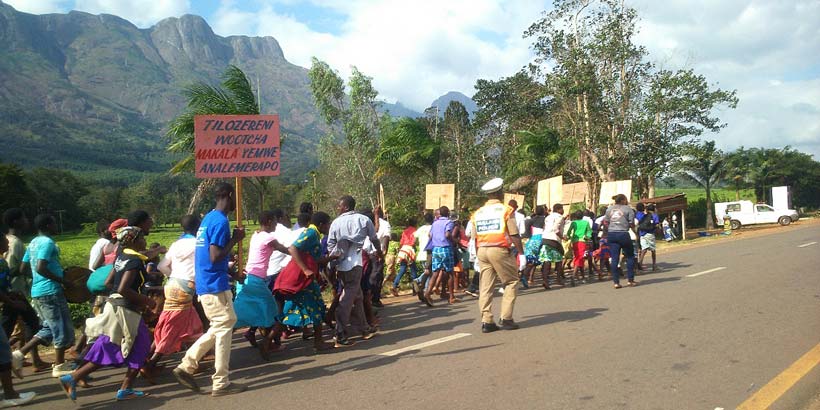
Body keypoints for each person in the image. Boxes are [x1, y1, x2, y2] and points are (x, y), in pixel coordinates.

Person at [58, 226, 155, 402]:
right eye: (142, 238)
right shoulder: (134, 261)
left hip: (114, 307)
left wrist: (119, 298)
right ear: (133, 240)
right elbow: (124, 288)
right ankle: (125, 389)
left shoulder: (122, 256)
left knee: (110, 346)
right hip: (126, 311)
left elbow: (109, 282)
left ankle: (73, 377)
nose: (145, 241)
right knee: (140, 346)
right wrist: (146, 301)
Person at [173, 182, 247, 397]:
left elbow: (209, 257)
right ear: (230, 195)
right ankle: (219, 382)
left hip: (210, 282)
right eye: (236, 198)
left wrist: (232, 273)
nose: (237, 203)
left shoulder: (208, 218)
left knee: (224, 323)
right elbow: (215, 255)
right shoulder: (221, 221)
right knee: (224, 326)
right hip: (214, 284)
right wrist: (236, 239)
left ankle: (188, 364)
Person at [13, 214, 74, 378]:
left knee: (49, 327)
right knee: (60, 327)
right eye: (54, 223)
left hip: (38, 292)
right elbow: (40, 268)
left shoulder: (33, 242)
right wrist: (63, 281)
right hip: (51, 291)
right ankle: (60, 365)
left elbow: (23, 268)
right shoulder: (47, 242)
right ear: (48, 225)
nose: (56, 226)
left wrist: (38, 280)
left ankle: (18, 355)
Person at [144, 215, 204, 379]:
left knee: (189, 325)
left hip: (172, 285)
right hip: (185, 289)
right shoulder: (198, 243)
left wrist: (175, 277)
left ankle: (194, 360)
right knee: (172, 329)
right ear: (198, 226)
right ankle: (151, 363)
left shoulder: (177, 244)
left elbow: (161, 265)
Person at [273, 212, 337, 351]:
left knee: (292, 310)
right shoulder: (311, 233)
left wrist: (332, 258)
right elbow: (293, 248)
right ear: (321, 224)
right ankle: (318, 342)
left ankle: (267, 341)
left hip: (305, 279)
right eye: (327, 224)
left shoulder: (314, 234)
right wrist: (305, 269)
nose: (329, 227)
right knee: (317, 307)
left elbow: (314, 259)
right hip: (302, 279)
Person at [471, 178, 525, 333]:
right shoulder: (506, 210)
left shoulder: (477, 213)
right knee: (511, 282)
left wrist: (476, 255)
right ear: (500, 192)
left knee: (485, 286)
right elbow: (514, 234)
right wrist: (521, 253)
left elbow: (474, 237)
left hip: (482, 250)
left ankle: (487, 321)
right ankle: (506, 318)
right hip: (499, 249)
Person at [326, 195, 381, 347]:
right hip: (355, 264)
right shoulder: (364, 220)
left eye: (339, 206)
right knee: (346, 300)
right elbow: (374, 239)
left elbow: (331, 245)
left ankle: (364, 329)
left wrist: (336, 260)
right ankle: (340, 334)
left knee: (357, 296)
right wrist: (380, 252)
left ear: (346, 207)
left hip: (341, 265)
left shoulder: (336, 222)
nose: (338, 208)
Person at [234, 211, 288, 360]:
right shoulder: (268, 237)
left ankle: (260, 338)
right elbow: (284, 249)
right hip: (256, 280)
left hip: (248, 278)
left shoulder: (256, 235)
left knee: (238, 314)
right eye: (276, 221)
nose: (277, 225)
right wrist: (300, 254)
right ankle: (267, 342)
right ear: (269, 222)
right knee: (276, 314)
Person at [0, 233, 47, 377]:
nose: (8, 243)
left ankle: (20, 356)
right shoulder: (1, 263)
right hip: (7, 301)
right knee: (7, 331)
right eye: (4, 241)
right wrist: (11, 301)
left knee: (29, 323)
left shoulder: (3, 261)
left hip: (11, 297)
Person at [604, 194, 638, 289]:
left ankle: (616, 282)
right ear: (623, 200)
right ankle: (630, 280)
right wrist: (634, 231)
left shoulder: (609, 209)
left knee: (614, 258)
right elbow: (632, 223)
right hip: (623, 234)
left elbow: (605, 222)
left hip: (611, 234)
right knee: (630, 256)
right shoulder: (628, 209)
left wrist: (611, 228)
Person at [426, 206, 456, 305]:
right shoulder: (449, 222)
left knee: (435, 272)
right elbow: (447, 234)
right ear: (447, 213)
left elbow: (430, 235)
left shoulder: (435, 223)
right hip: (446, 248)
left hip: (436, 249)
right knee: (450, 272)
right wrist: (454, 241)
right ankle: (451, 297)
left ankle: (428, 292)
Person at [2, 209, 30, 298]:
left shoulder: (7, 239)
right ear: (15, 222)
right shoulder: (15, 243)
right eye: (23, 218)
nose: (26, 220)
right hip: (14, 292)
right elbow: (10, 269)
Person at [541, 204, 566, 289]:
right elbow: (556, 229)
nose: (563, 211)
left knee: (547, 260)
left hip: (545, 238)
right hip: (554, 240)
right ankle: (558, 279)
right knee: (559, 259)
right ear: (559, 209)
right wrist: (563, 237)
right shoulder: (560, 217)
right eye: (562, 209)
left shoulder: (548, 217)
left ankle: (545, 280)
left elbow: (545, 227)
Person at [392, 218, 418, 296]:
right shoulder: (415, 231)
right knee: (413, 270)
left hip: (403, 250)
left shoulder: (405, 231)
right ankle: (415, 289)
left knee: (402, 269)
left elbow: (401, 242)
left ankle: (394, 285)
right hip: (409, 250)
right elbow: (413, 242)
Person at [371, 206, 391, 308]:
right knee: (377, 276)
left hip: (367, 253)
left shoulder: (368, 222)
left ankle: (372, 298)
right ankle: (375, 299)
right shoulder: (385, 224)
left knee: (371, 275)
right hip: (377, 253)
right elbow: (387, 237)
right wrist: (384, 252)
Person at [566, 210, 592, 282]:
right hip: (582, 241)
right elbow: (589, 231)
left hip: (574, 241)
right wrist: (587, 236)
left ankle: (582, 276)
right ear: (582, 216)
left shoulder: (573, 223)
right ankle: (574, 275)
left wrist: (568, 237)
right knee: (580, 258)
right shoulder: (586, 223)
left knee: (578, 257)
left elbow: (569, 232)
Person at [523, 206, 546, 285]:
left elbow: (526, 228)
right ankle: (544, 279)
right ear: (543, 211)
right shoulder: (545, 219)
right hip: (541, 240)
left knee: (532, 260)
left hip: (532, 241)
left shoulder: (531, 220)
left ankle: (526, 277)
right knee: (543, 260)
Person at [638, 204, 660, 272]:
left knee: (644, 249)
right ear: (654, 209)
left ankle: (640, 264)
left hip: (642, 233)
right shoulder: (655, 216)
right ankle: (654, 266)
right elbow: (657, 224)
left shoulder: (643, 215)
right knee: (653, 250)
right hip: (650, 234)